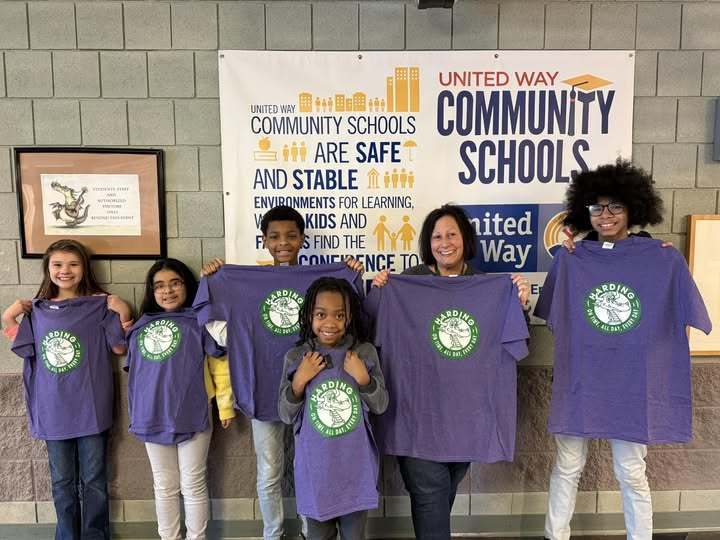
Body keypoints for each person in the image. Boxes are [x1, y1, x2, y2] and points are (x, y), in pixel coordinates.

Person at [535, 161, 712, 540]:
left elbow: (691, 314)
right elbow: (551, 313)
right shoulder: (571, 257)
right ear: (587, 212)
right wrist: (568, 257)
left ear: (634, 209)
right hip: (581, 379)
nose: (606, 215)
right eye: (597, 207)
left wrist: (667, 261)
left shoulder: (659, 256)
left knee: (631, 470)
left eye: (615, 206)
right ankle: (555, 535)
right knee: (567, 464)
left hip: (631, 384)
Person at [198, 205, 363, 540]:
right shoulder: (243, 283)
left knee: (309, 468)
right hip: (264, 390)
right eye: (274, 236)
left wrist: (352, 272)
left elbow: (354, 311)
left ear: (302, 239)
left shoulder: (320, 282)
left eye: (291, 235)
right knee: (270, 470)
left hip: (315, 389)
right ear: (264, 241)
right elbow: (214, 325)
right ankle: (272, 534)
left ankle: (308, 532)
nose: (283, 242)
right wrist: (213, 278)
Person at [370, 204, 531, 539]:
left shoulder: (486, 287)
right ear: (429, 244)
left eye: (451, 234)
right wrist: (378, 290)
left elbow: (512, 340)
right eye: (437, 236)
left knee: (440, 496)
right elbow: (369, 326)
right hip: (418, 416)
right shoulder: (408, 284)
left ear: (465, 239)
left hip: (466, 420)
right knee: (431, 498)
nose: (444, 242)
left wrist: (518, 301)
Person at [1, 239, 131, 540]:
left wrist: (122, 311)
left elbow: (119, 346)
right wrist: (9, 317)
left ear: (84, 268)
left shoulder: (100, 304)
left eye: (73, 264)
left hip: (91, 407)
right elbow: (23, 348)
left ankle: (95, 535)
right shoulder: (37, 311)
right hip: (53, 410)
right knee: (62, 481)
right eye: (58, 264)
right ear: (48, 269)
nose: (65, 270)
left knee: (95, 480)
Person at [125, 259, 235, 540]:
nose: (168, 291)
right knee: (164, 485)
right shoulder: (140, 327)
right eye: (159, 285)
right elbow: (136, 374)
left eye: (175, 283)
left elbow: (219, 366)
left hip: (192, 412)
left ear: (188, 285)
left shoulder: (199, 322)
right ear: (152, 291)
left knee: (193, 483)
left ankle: (196, 537)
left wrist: (225, 406)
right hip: (151, 415)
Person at [278, 277, 388, 540]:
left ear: (349, 317)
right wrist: (300, 381)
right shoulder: (297, 357)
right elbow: (284, 413)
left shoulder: (364, 352)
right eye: (321, 314)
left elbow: (381, 405)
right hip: (315, 472)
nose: (330, 322)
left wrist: (364, 379)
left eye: (339, 315)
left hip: (355, 470)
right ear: (308, 316)